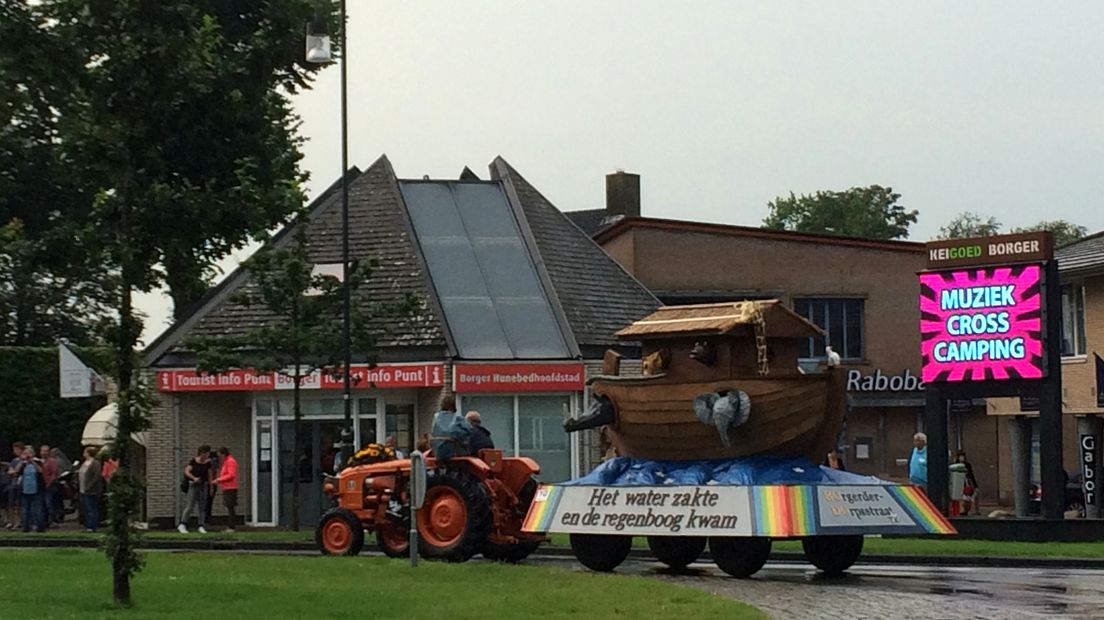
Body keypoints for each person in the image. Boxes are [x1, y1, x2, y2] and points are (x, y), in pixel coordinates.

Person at [178, 445, 213, 534]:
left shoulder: (208, 463)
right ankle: (183, 524)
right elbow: (187, 471)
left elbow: (210, 475)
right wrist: (194, 478)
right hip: (193, 485)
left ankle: (201, 525)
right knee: (190, 505)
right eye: (206, 453)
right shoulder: (194, 461)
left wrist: (211, 487)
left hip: (203, 485)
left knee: (202, 507)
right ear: (202, 453)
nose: (207, 455)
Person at [430, 394, 473, 460]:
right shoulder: (457, 417)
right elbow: (470, 429)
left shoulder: (436, 417)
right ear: (453, 405)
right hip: (454, 452)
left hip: (437, 452)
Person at [15, 447, 46, 532]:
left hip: (37, 490)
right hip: (25, 490)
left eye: (29, 453)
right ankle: (26, 527)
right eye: (25, 453)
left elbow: (41, 471)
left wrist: (32, 461)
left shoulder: (38, 462)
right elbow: (16, 471)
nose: (27, 455)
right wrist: (22, 461)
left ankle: (40, 527)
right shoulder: (23, 464)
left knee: (38, 510)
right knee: (25, 510)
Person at [78, 446, 105, 532]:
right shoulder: (85, 462)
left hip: (91, 490)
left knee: (92, 508)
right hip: (82, 489)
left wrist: (89, 486)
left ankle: (92, 526)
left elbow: (96, 476)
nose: (84, 453)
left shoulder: (95, 463)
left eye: (85, 452)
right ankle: (87, 525)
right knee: (86, 508)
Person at [213, 447, 239, 532]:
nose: (219, 457)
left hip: (230, 487)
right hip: (227, 487)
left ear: (223, 454)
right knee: (229, 507)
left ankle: (231, 527)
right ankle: (230, 526)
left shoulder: (230, 461)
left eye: (220, 455)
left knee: (230, 507)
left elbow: (231, 475)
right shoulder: (227, 461)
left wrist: (219, 479)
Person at [38, 444, 59, 527]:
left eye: (46, 451)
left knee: (49, 503)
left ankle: (52, 520)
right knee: (42, 504)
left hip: (49, 485)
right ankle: (44, 521)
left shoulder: (52, 461)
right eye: (42, 451)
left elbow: (54, 473)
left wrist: (49, 483)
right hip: (40, 485)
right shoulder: (39, 461)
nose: (44, 453)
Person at [5, 442, 24, 529]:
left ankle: (18, 521)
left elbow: (16, 471)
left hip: (21, 484)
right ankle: (10, 521)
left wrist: (15, 471)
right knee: (10, 503)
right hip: (13, 484)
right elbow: (10, 471)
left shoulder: (23, 460)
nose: (15, 451)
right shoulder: (14, 460)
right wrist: (13, 472)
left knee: (18, 504)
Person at [955, 450, 979, 516]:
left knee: (968, 497)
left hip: (967, 482)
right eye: (960, 457)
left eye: (963, 457)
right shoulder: (956, 465)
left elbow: (971, 475)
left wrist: (975, 485)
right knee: (961, 497)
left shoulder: (967, 465)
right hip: (959, 483)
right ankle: (962, 510)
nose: (962, 458)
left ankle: (967, 509)